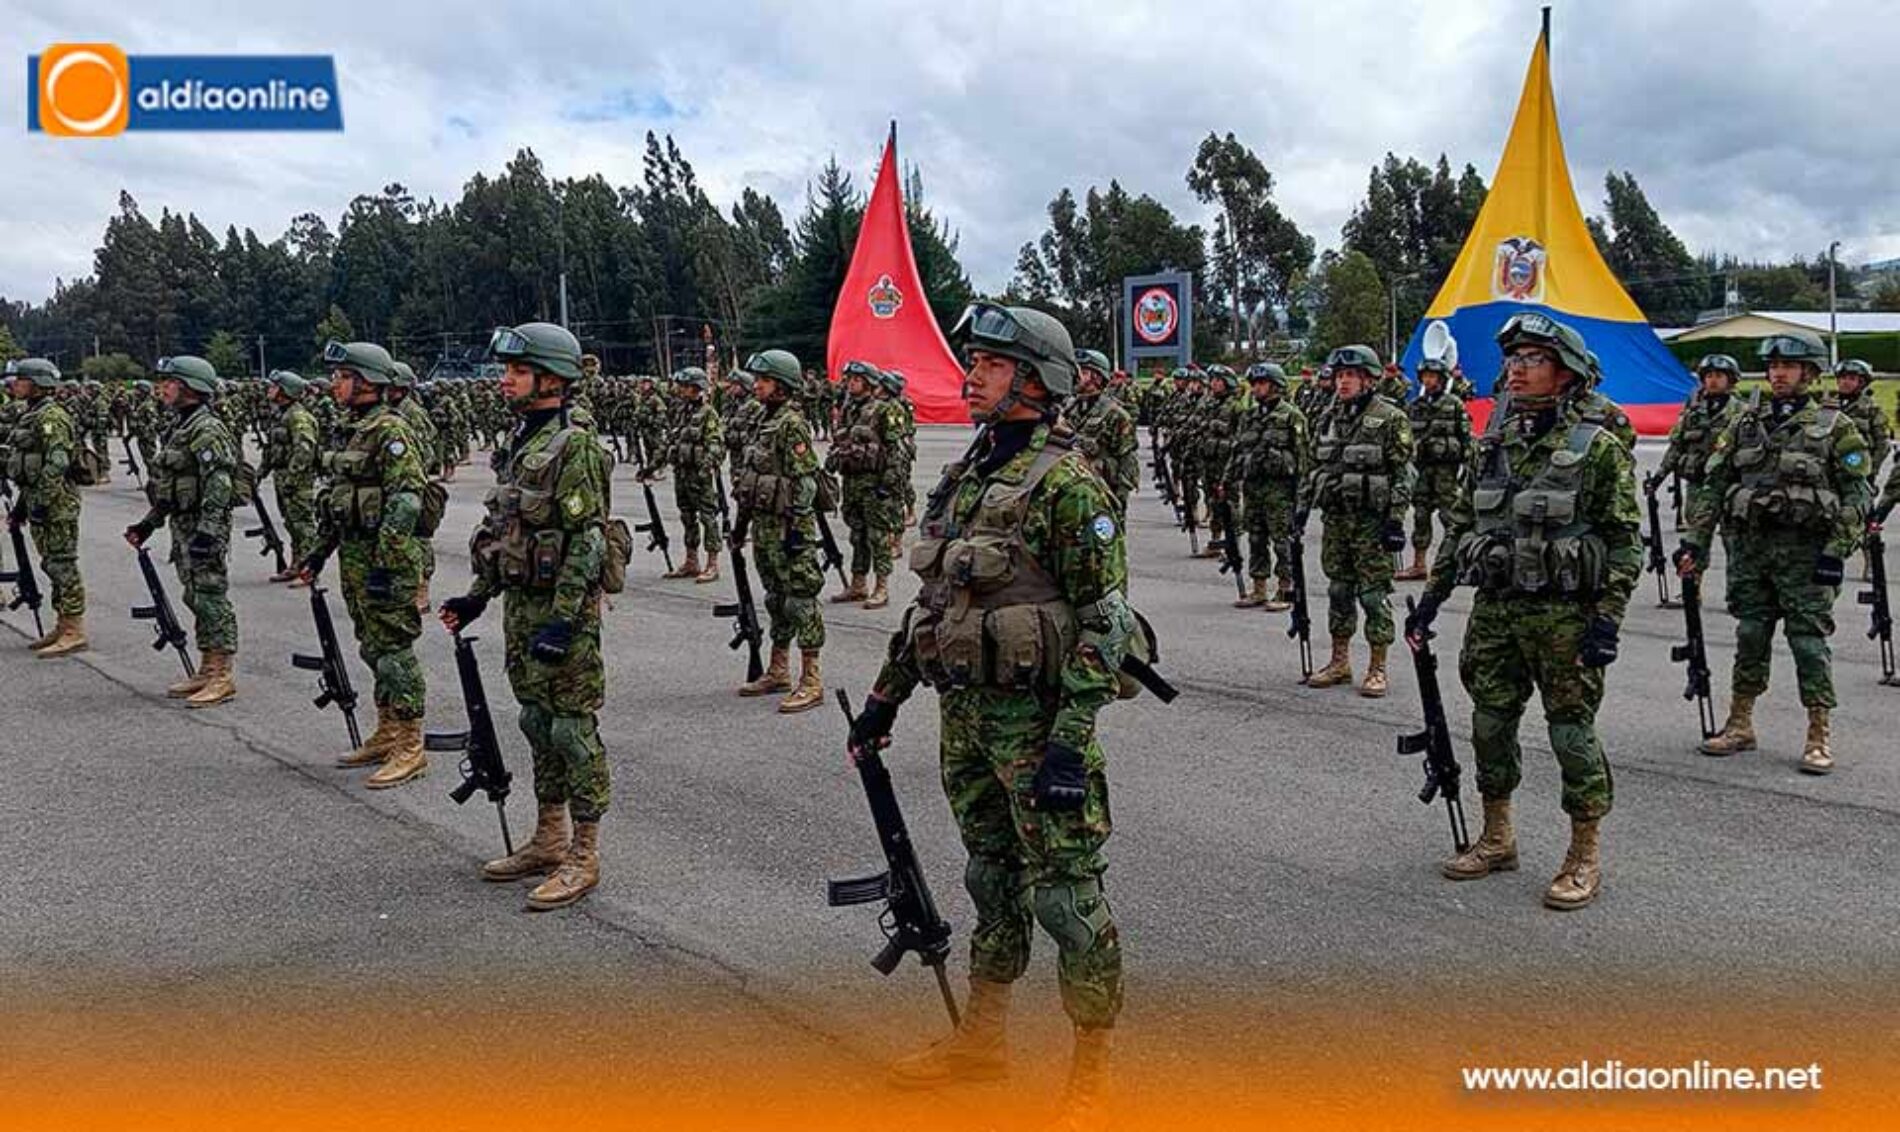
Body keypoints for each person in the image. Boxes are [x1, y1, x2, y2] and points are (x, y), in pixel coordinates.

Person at [849, 302, 1128, 1126]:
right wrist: (882, 698)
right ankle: (985, 1040)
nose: (970, 375)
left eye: (990, 364)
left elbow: (1106, 624)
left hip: (1039, 733)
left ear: (1036, 382)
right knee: (991, 882)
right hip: (966, 723)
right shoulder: (969, 477)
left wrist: (1071, 745)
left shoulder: (1071, 487)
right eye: (972, 360)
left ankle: (1093, 1079)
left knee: (1069, 899)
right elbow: (934, 603)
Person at [1409, 311, 1641, 909]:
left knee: (1570, 734)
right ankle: (1498, 836)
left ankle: (1584, 854)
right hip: (1498, 611)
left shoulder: (1599, 448)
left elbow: (1623, 542)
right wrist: (1431, 600)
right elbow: (1463, 523)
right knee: (1489, 724)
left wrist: (1608, 620)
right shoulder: (1494, 441)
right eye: (1513, 359)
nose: (1516, 368)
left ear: (1567, 373)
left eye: (1533, 359)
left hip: (1566, 616)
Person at [443, 323, 615, 910]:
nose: (504, 380)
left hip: (561, 613)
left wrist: (566, 621)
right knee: (537, 723)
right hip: (522, 606)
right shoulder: (523, 442)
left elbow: (587, 541)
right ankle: (549, 836)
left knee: (572, 729)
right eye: (507, 371)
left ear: (551, 378)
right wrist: (477, 594)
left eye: (516, 371)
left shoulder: (577, 446)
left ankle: (584, 852)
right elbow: (507, 532)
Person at [1678, 331, 1873, 774]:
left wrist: (1836, 551)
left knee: (1807, 643)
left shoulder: (1834, 427)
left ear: (1809, 372)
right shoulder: (1744, 423)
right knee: (1750, 636)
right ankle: (1740, 723)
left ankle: (1818, 732)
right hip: (1750, 552)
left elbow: (1857, 497)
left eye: (1789, 366)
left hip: (1805, 558)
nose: (1778, 373)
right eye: (1773, 366)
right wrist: (1696, 544)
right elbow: (1712, 487)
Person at [299, 340, 433, 788]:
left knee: (394, 651)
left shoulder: (390, 431)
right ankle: (388, 729)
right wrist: (318, 552)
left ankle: (412, 743)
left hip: (384, 560)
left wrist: (387, 561)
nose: (334, 384)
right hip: (355, 556)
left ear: (366, 382)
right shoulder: (351, 429)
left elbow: (407, 498)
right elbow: (340, 502)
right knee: (372, 647)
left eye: (342, 376)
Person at [124, 355, 240, 706]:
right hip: (184, 524)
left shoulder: (206, 428)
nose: (164, 388)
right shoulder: (183, 426)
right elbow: (173, 486)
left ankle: (222, 674)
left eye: (171, 382)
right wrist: (148, 524)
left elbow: (218, 483)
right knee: (195, 596)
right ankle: (207, 667)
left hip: (204, 526)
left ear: (189, 387)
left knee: (211, 597)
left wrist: (207, 532)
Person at [1301, 344, 1414, 696]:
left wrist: (1395, 521)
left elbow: (1404, 474)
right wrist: (1301, 510)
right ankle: (1339, 661)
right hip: (1337, 521)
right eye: (1339, 375)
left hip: (1371, 522)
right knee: (1339, 590)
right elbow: (1313, 467)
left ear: (1369, 379)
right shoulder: (1328, 416)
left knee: (1372, 595)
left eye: (1351, 375)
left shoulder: (1390, 418)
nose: (1343, 382)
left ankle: (1377, 667)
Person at [731, 348, 827, 713]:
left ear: (783, 386)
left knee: (801, 601)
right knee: (776, 599)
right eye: (757, 379)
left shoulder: (792, 424)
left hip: (789, 529)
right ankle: (779, 669)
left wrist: (797, 531)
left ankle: (812, 678)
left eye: (765, 380)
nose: (757, 385)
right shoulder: (763, 420)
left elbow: (804, 484)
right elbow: (751, 480)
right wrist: (741, 528)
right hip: (764, 527)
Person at [3, 359, 88, 655]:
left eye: (21, 379)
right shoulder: (33, 413)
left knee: (63, 564)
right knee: (51, 563)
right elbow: (32, 470)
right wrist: (23, 508)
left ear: (37, 383)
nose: (15, 383)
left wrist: (42, 501)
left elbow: (57, 463)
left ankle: (74, 629)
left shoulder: (51, 416)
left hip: (57, 504)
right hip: (40, 500)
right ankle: (62, 624)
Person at [1225, 362, 1307, 610]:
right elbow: (1238, 450)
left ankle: (1285, 588)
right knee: (1256, 538)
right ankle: (1259, 588)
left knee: (1282, 540)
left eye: (1262, 383)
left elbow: (1303, 456)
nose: (1257, 388)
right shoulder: (1249, 416)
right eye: (1255, 384)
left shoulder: (1292, 416)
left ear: (1276, 386)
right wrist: (1227, 479)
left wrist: (1303, 494)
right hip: (1253, 487)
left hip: (1280, 489)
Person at [827, 360, 906, 608]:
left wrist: (888, 485)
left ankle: (881, 587)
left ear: (870, 384)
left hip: (875, 485)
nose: (851, 383)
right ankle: (858, 584)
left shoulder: (884, 411)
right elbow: (841, 441)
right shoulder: (849, 409)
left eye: (857, 380)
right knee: (857, 536)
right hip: (852, 483)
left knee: (878, 537)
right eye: (849, 379)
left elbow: (897, 451)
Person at [1395, 357, 1472, 581]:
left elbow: (1465, 437)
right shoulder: (1415, 407)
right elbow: (1406, 438)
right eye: (1426, 376)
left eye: (1433, 376)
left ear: (1441, 379)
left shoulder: (1454, 404)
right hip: (1422, 470)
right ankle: (1419, 565)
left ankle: (1456, 564)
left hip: (1446, 471)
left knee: (1451, 517)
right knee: (1420, 516)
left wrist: (1467, 466)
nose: (1429, 381)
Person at [1651, 355, 1744, 525]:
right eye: (1709, 376)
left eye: (1718, 376)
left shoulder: (1741, 412)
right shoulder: (1692, 414)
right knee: (1695, 538)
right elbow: (1677, 447)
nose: (1713, 381)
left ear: (1731, 379)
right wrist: (1658, 477)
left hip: (1729, 485)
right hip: (1697, 484)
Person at [660, 366, 724, 583]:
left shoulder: (708, 413)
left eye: (684, 386)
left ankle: (712, 563)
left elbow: (716, 443)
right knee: (687, 517)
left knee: (708, 518)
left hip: (700, 476)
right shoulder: (681, 411)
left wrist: (706, 468)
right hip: (682, 473)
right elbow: (672, 440)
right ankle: (691, 561)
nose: (680, 390)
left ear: (695, 388)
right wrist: (653, 466)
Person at [260, 370, 322, 585]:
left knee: (303, 525)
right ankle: (297, 564)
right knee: (292, 524)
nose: (270, 389)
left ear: (285, 391)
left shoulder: (298, 417)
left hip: (296, 479)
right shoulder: (281, 414)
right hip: (282, 475)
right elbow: (273, 448)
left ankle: (308, 570)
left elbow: (305, 450)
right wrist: (261, 473)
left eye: (275, 386)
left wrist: (293, 479)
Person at [1068, 350, 1139, 520]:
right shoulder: (1069, 409)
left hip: (1104, 493)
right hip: (1074, 493)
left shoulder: (1116, 414)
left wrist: (1120, 500)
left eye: (1083, 372)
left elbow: (1127, 460)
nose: (1077, 377)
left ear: (1097, 378)